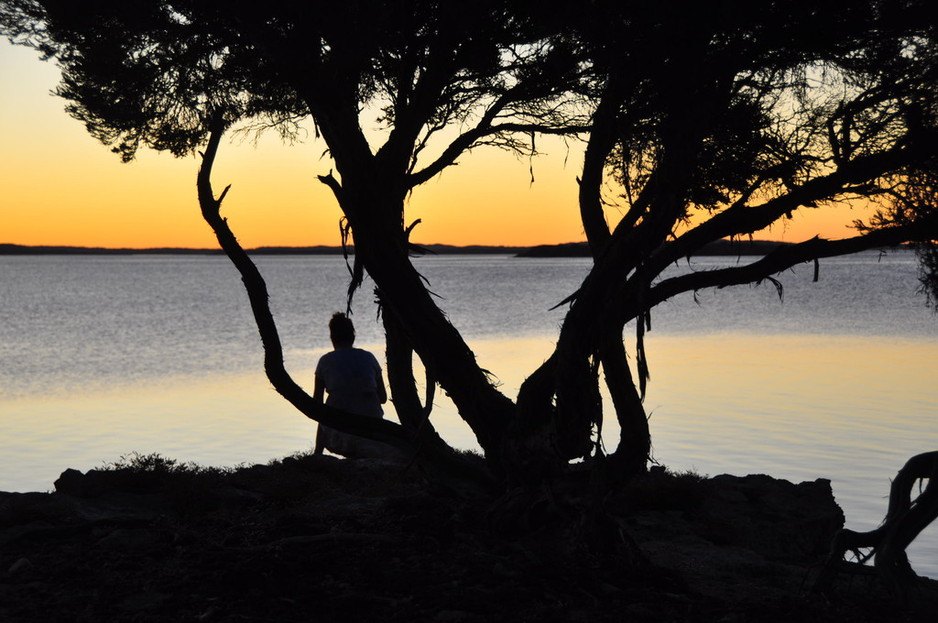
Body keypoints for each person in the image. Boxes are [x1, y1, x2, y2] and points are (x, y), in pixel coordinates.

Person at [312, 312, 390, 457]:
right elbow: (383, 398)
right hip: (373, 436)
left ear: (332, 338)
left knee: (323, 410)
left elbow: (316, 406)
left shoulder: (325, 361)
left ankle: (318, 453)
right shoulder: (369, 357)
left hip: (339, 440)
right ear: (353, 336)